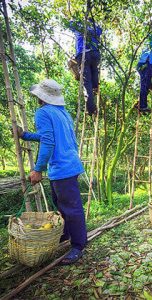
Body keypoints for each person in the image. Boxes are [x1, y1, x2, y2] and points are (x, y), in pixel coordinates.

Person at [16, 79, 87, 265]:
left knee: (71, 208)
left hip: (62, 167)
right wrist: (26, 135)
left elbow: (48, 142)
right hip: (70, 164)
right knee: (61, 204)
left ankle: (78, 245)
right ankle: (66, 233)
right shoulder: (63, 113)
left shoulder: (43, 113)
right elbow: (48, 136)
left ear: (41, 97)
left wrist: (38, 169)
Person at [69, 18, 102, 116]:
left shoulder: (79, 26)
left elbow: (70, 24)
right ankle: (95, 86)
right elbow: (100, 31)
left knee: (87, 83)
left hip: (83, 55)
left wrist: (74, 19)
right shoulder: (96, 28)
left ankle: (91, 109)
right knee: (94, 69)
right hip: (95, 53)